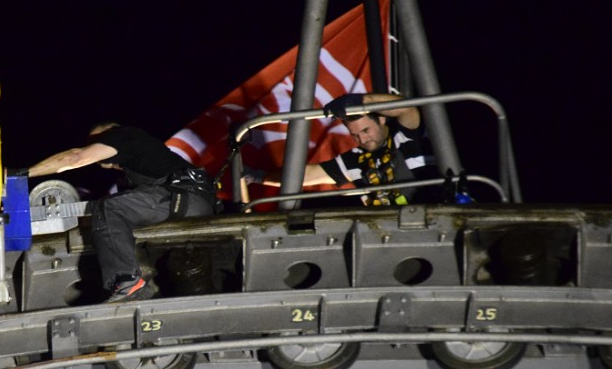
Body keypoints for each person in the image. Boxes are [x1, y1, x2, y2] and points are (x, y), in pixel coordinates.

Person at [28, 123, 216, 302]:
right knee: (113, 212)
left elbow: (75, 158)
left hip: (184, 198)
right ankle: (126, 283)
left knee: (110, 207)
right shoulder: (140, 166)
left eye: (97, 139)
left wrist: (21, 173)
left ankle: (127, 281)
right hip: (189, 203)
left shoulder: (123, 135)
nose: (94, 145)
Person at [249, 92, 436, 206]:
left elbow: (407, 109)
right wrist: (257, 176)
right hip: (384, 230)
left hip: (432, 214)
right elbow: (305, 175)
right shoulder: (354, 160)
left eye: (366, 130)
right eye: (354, 135)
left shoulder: (408, 137)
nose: (362, 139)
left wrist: (360, 100)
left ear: (381, 119)